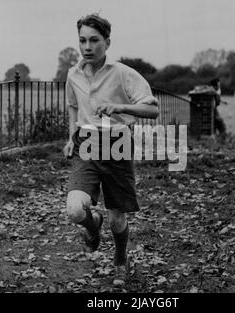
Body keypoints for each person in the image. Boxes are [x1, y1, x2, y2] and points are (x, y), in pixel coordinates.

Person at [63, 13, 159, 283]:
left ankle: (120, 258)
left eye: (94, 40)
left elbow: (153, 109)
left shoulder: (123, 74)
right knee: (74, 210)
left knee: (117, 219)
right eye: (82, 40)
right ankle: (93, 227)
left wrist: (121, 107)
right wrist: (72, 137)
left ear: (107, 42)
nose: (87, 47)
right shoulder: (73, 74)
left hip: (117, 143)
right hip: (87, 143)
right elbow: (73, 106)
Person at [209, 78, 227, 143]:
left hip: (212, 113)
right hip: (213, 114)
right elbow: (216, 102)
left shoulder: (211, 91)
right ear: (215, 86)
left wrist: (223, 101)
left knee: (214, 129)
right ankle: (221, 142)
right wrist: (218, 93)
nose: (219, 86)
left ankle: (216, 141)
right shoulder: (213, 92)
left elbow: (217, 101)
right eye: (218, 85)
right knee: (223, 128)